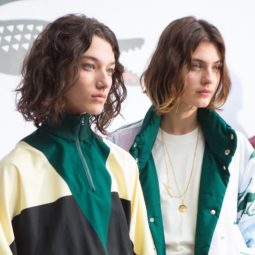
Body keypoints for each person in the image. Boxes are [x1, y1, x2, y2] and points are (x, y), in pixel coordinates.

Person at [0, 14, 156, 255]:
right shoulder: (16, 171)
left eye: (110, 69)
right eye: (89, 66)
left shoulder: (122, 165)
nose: (104, 81)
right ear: (55, 70)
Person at [111, 16, 255, 255]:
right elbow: (112, 230)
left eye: (216, 67)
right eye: (196, 65)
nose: (209, 78)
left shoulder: (235, 147)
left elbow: (251, 232)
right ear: (170, 66)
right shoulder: (124, 145)